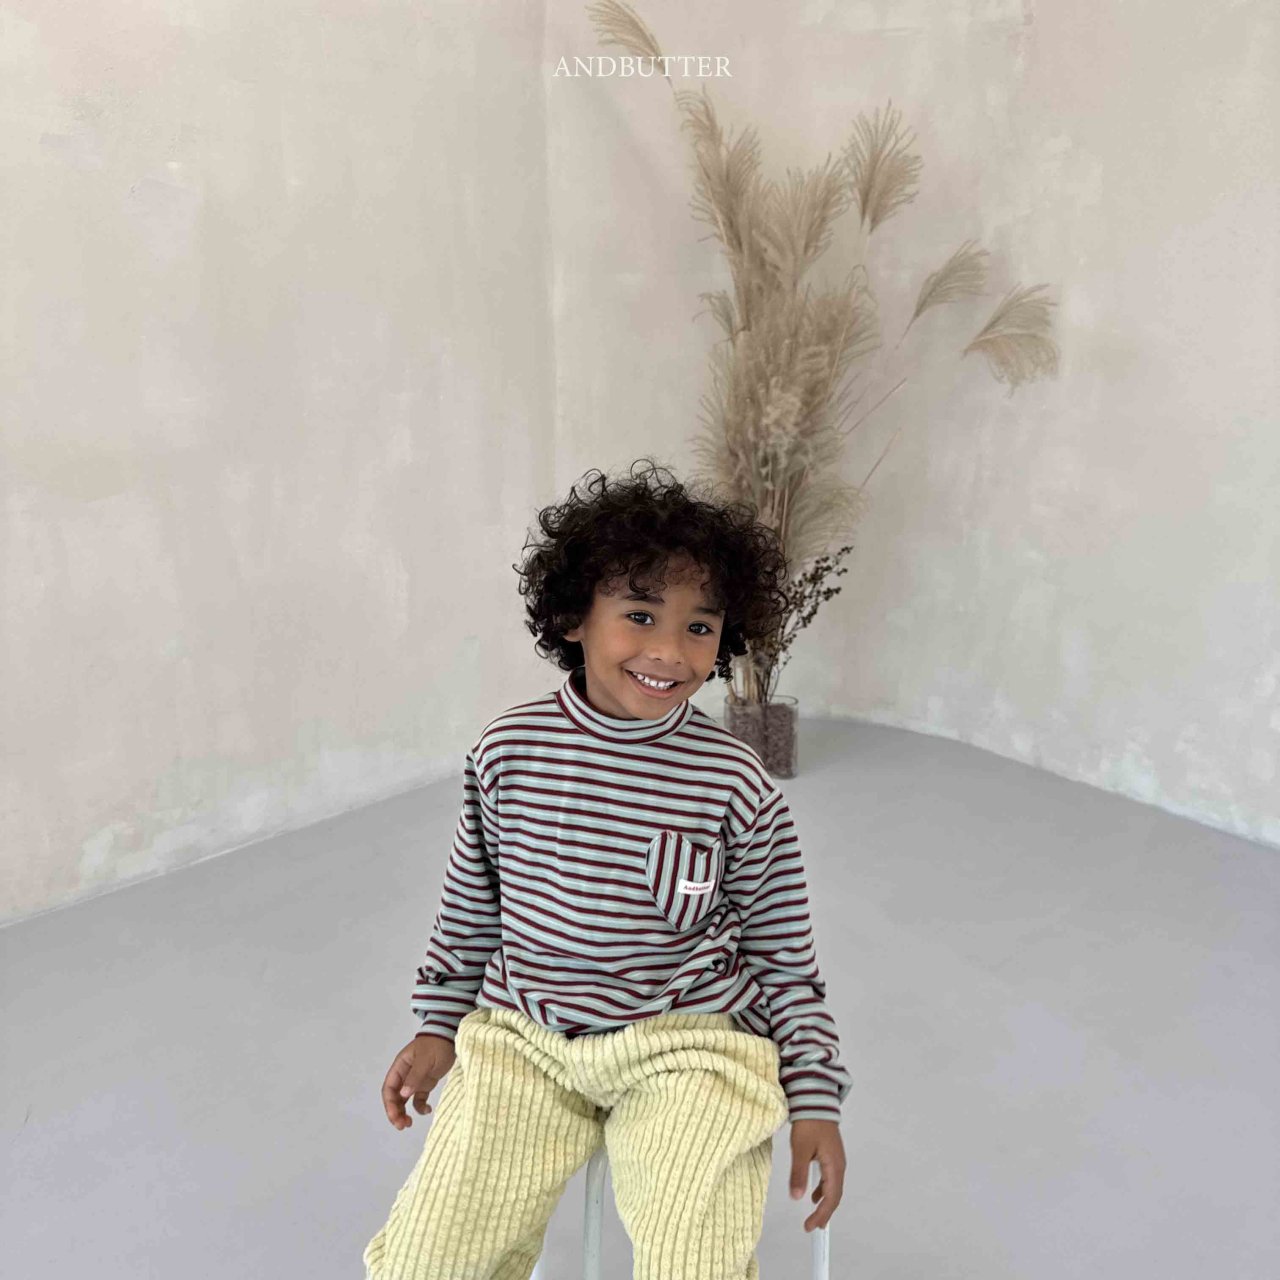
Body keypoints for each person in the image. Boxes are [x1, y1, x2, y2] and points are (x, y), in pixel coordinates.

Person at [364, 459, 851, 1280]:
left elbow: (784, 959)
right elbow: (471, 907)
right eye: (639, 614)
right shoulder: (508, 752)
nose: (670, 651)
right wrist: (438, 1025)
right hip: (525, 1038)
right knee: (427, 1257)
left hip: (687, 1045)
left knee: (695, 1255)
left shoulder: (734, 782)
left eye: (700, 627)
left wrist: (814, 1095)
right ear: (572, 618)